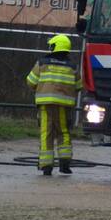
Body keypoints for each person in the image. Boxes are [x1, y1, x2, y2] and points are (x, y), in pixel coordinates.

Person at [26, 34, 82, 175]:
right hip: (64, 106)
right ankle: (65, 164)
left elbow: (31, 82)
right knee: (63, 132)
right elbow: (79, 86)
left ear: (55, 46)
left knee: (47, 133)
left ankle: (46, 166)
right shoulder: (72, 67)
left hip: (46, 105)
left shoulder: (42, 63)